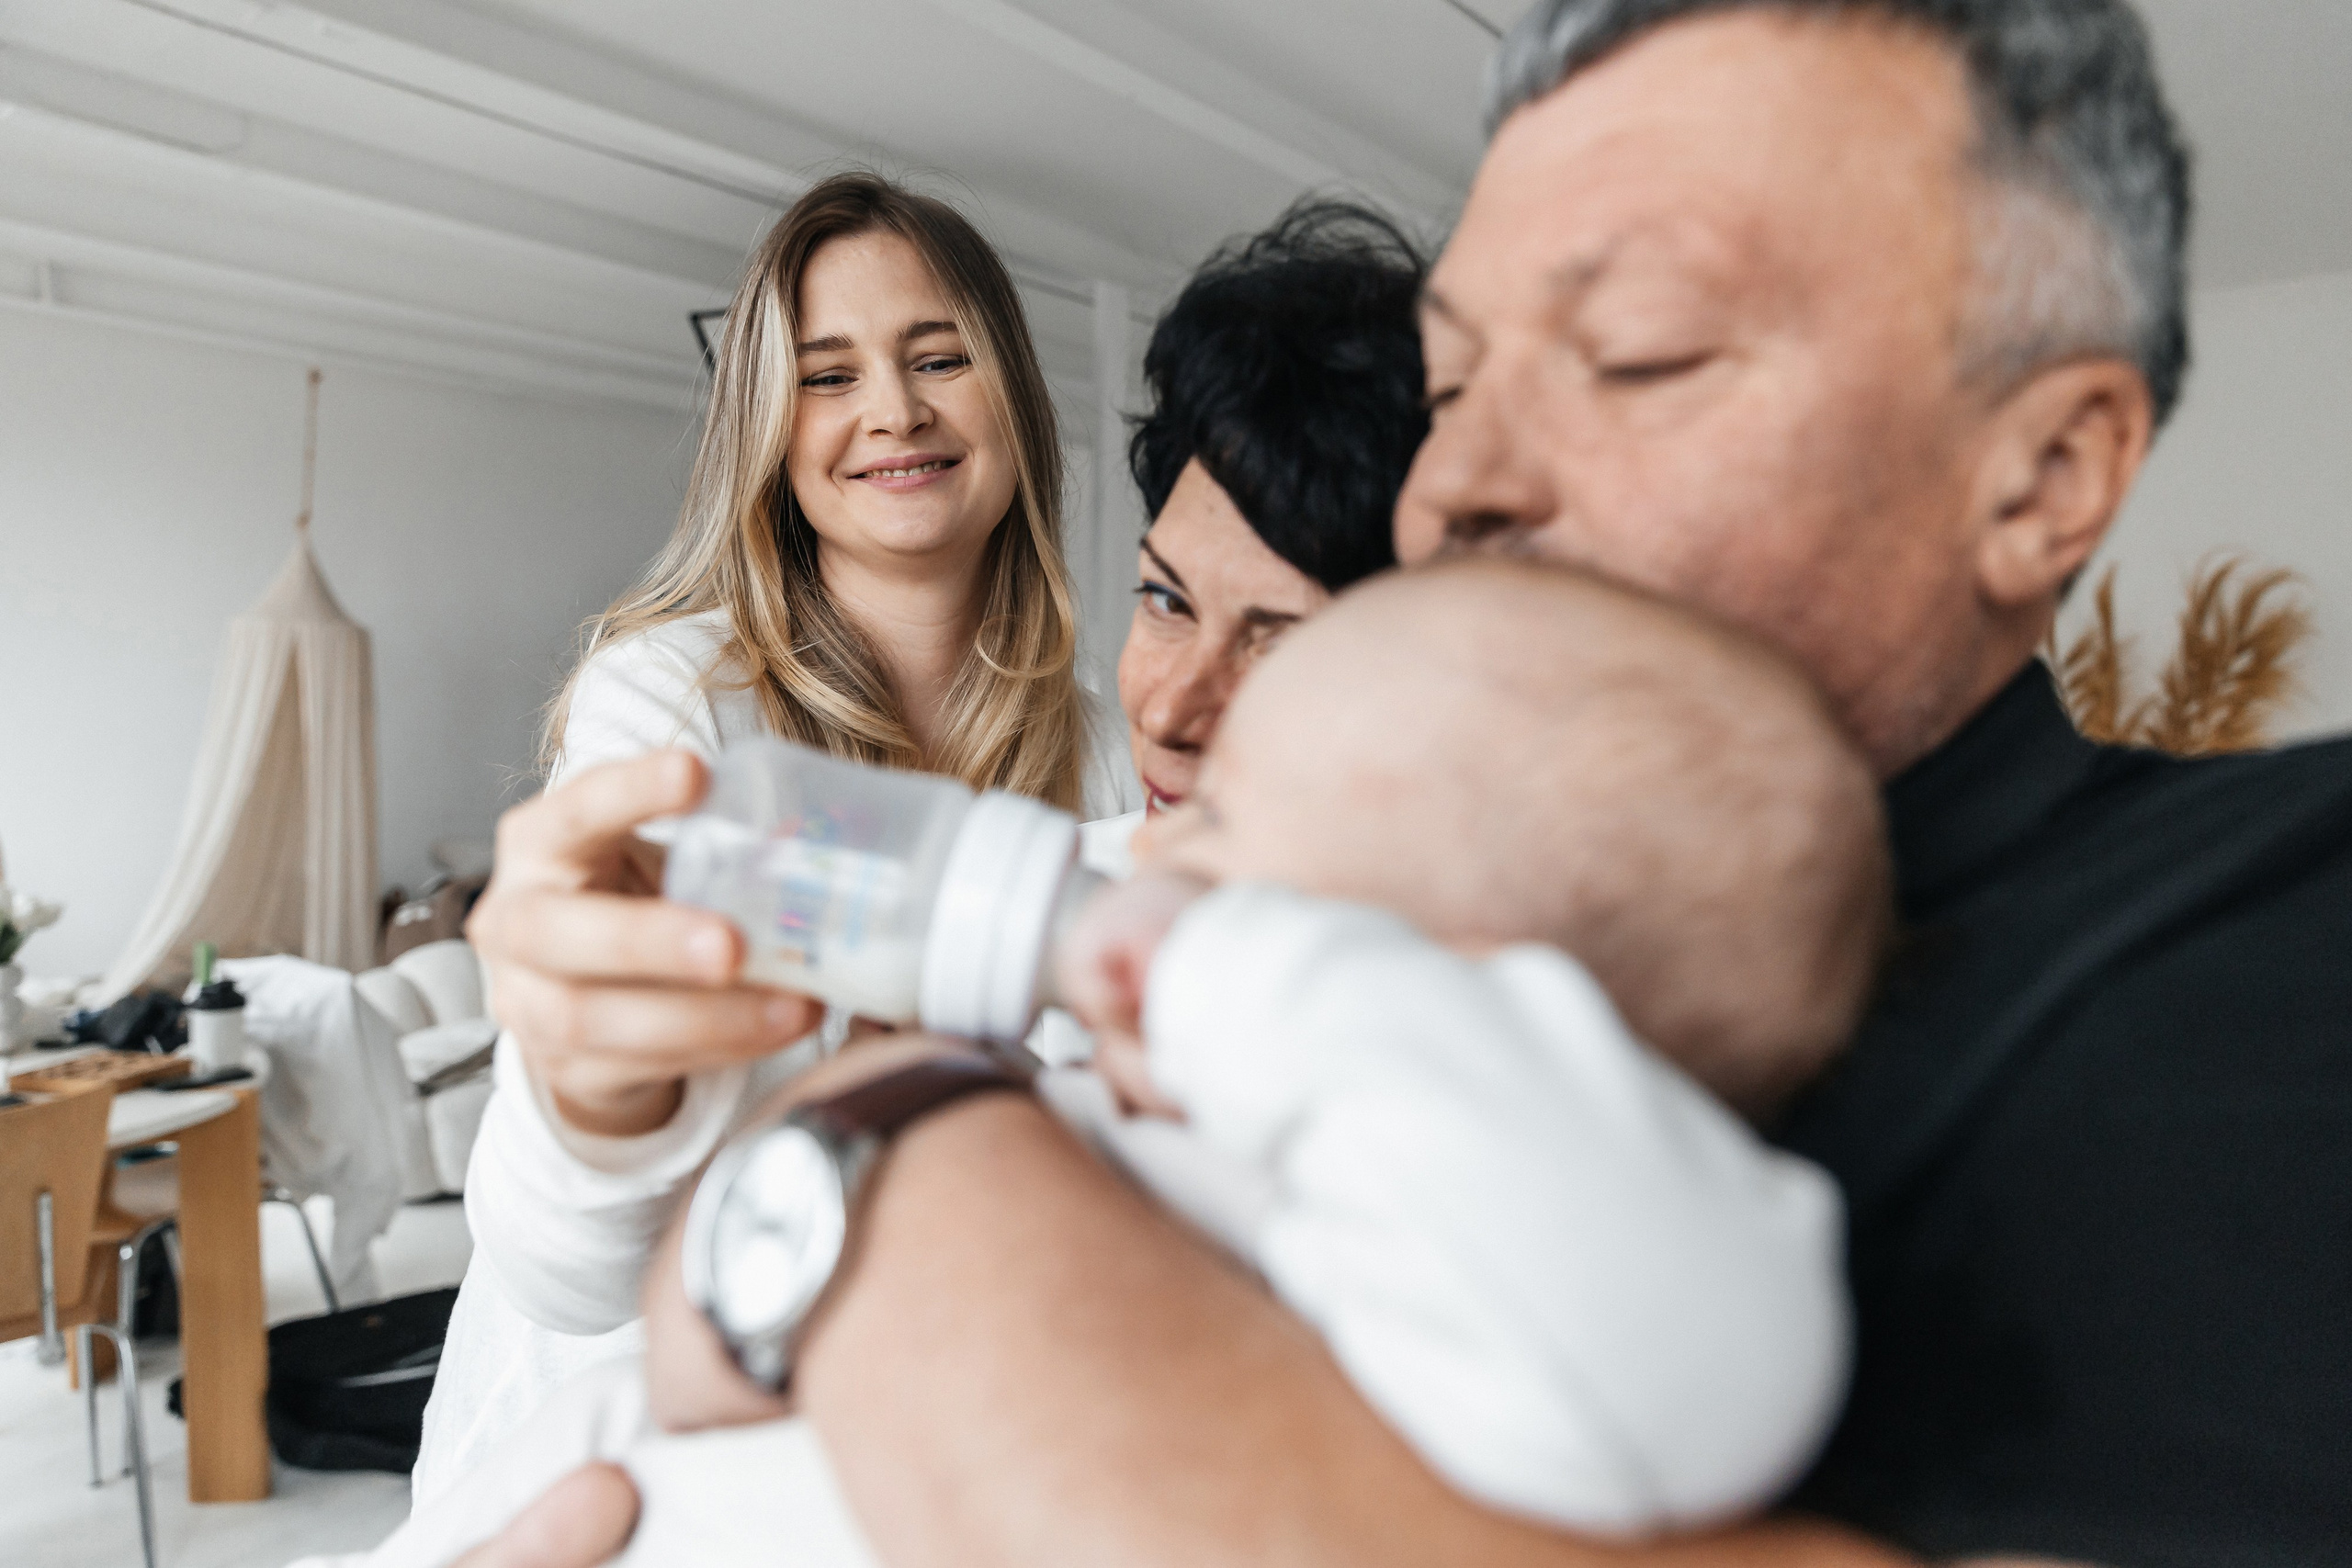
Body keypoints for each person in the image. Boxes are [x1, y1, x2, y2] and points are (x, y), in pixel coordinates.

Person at [458, 1, 2352, 1564]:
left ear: (2041, 474)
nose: (1454, 489)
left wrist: (905, 1170)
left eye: (1637, 351)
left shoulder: (2284, 921)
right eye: (1451, 390)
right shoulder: (1378, 871)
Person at [300, 559, 1890, 1568]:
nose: (1152, 843)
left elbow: (1701, 1368)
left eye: (1229, 823)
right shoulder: (1160, 1105)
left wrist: (1220, 970)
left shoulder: (1550, 1246)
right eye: (1168, 598)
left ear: (1480, 1003)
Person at [417, 170, 1136, 1499]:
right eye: (827, 376)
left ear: (1018, 402)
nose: (895, 410)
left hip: (928, 1435)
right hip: (625, 1451)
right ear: (768, 427)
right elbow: (566, 1269)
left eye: (940, 357)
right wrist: (593, 1093)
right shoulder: (673, 703)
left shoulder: (1108, 746)